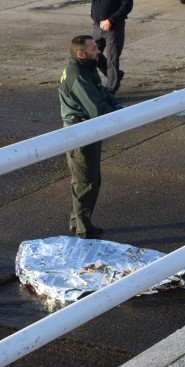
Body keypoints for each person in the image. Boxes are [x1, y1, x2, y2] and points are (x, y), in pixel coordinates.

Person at [59, 35, 123, 239]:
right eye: (94, 49)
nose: (98, 52)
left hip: (88, 131)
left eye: (97, 48)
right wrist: (118, 114)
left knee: (88, 181)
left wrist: (116, 104)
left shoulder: (86, 68)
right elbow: (96, 109)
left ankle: (78, 223)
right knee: (86, 183)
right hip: (80, 135)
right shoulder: (78, 75)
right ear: (81, 53)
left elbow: (102, 93)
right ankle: (84, 231)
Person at [80, 0, 133, 94]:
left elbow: (127, 6)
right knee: (94, 56)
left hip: (114, 28)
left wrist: (111, 20)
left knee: (112, 61)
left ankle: (111, 90)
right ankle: (115, 77)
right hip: (97, 27)